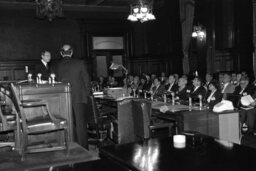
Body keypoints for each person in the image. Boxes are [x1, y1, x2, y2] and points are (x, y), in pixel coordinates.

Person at [54, 44, 91, 149]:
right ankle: (83, 148)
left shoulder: (57, 65)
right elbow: (86, 80)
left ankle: (71, 146)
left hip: (63, 99)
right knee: (80, 124)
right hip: (78, 97)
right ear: (72, 52)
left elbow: (56, 82)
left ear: (61, 53)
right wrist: (88, 95)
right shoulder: (79, 63)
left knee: (69, 124)